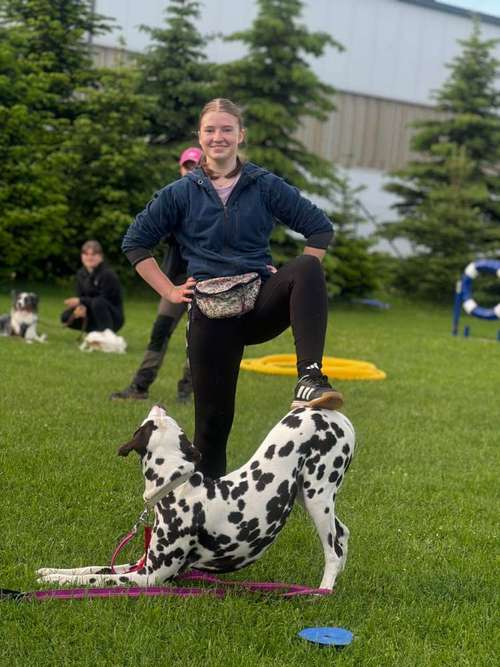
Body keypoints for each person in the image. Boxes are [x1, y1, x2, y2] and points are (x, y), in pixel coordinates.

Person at [122, 98, 344, 479]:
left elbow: (319, 227)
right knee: (212, 429)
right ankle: (207, 517)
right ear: (200, 137)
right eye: (210, 130)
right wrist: (171, 291)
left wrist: (281, 282)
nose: (218, 137)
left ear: (241, 135)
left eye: (227, 129)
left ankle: (309, 377)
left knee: (306, 267)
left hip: (258, 304)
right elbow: (135, 242)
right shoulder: (180, 192)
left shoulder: (264, 185)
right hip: (211, 317)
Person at [110, 147, 203, 402]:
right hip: (174, 280)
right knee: (160, 331)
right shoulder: (173, 197)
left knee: (197, 338)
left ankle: (188, 390)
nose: (191, 170)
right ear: (180, 167)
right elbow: (150, 235)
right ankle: (140, 387)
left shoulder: (212, 200)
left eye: (196, 165)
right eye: (187, 165)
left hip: (206, 281)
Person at [61, 240, 124, 333]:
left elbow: (104, 299)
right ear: (81, 256)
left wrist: (81, 301)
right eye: (86, 254)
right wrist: (81, 306)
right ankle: (94, 333)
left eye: (93, 254)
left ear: (101, 256)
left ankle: (107, 334)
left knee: (97, 303)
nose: (89, 258)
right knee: (67, 316)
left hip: (112, 316)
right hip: (92, 310)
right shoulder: (81, 273)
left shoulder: (108, 274)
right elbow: (81, 295)